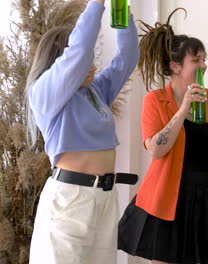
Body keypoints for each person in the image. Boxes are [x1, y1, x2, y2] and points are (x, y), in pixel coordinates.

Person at [117, 8, 208, 264]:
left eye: (204, 59)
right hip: (165, 202)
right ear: (175, 66)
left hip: (205, 199)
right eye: (196, 60)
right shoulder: (155, 101)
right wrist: (183, 109)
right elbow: (156, 149)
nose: (204, 65)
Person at [26, 0, 139, 263]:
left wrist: (122, 10)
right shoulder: (44, 93)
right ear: (60, 62)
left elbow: (127, 58)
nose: (92, 65)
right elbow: (77, 54)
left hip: (105, 198)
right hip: (70, 199)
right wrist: (96, 3)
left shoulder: (94, 92)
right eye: (86, 59)